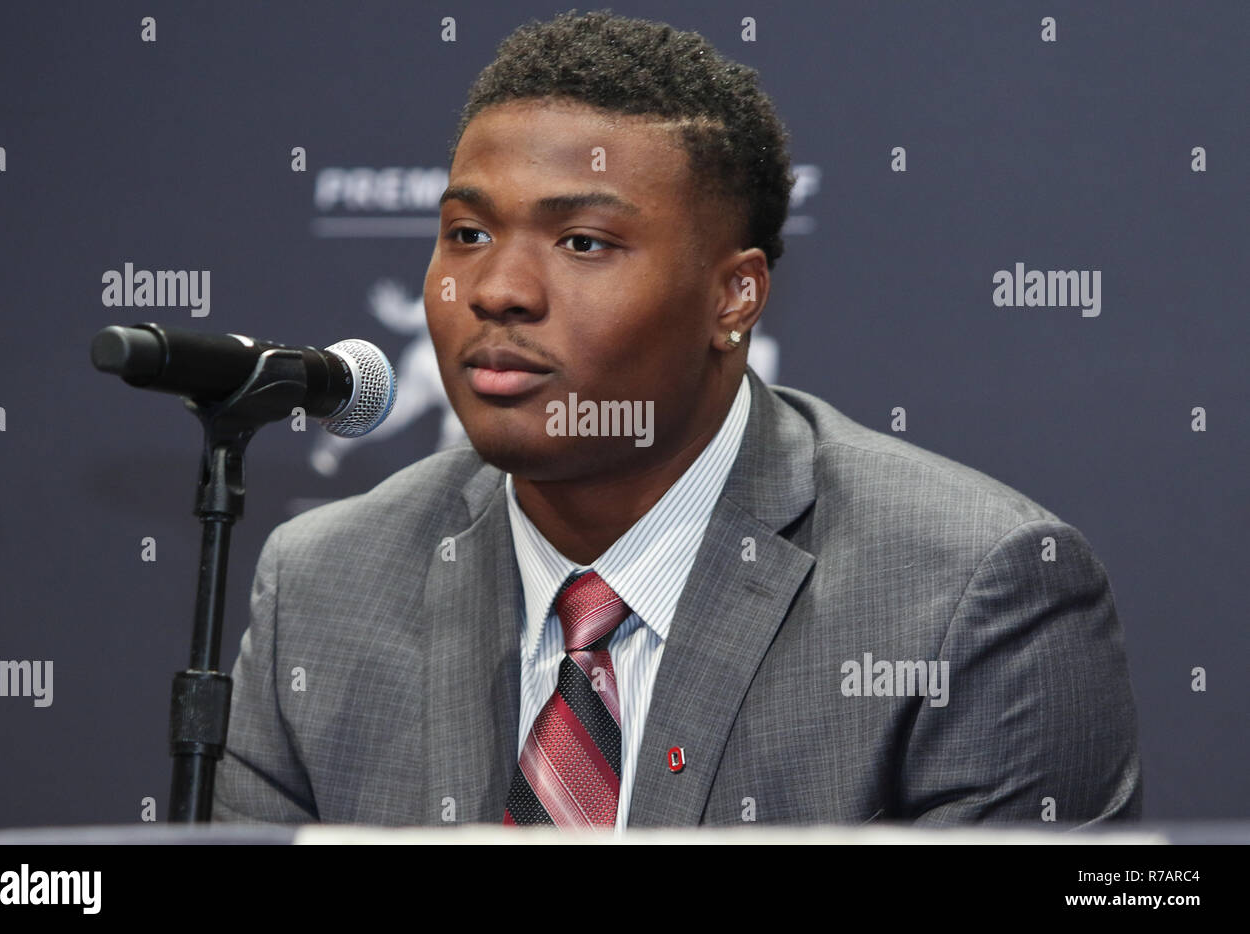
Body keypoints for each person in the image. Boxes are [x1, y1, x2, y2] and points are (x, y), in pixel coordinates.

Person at [214, 10, 1141, 830]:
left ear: (734, 297)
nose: (495, 289)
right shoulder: (323, 588)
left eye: (584, 242)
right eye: (467, 234)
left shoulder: (969, 597)